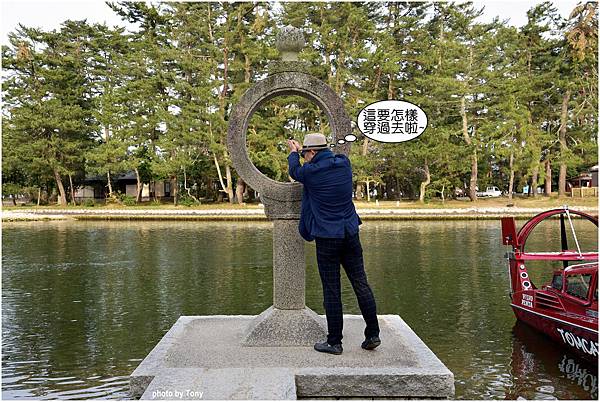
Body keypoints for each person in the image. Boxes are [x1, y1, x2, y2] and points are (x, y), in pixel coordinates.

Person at [287, 133, 381, 355]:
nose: (304, 157)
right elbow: (328, 158)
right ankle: (373, 334)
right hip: (350, 232)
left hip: (328, 237)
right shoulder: (343, 164)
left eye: (305, 154)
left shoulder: (310, 172)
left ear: (312, 152)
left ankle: (334, 342)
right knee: (361, 283)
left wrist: (293, 153)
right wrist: (303, 152)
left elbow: (294, 171)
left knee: (332, 289)